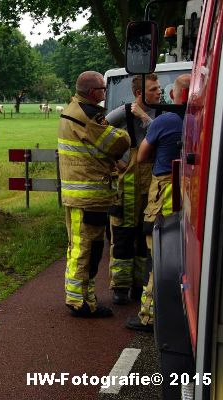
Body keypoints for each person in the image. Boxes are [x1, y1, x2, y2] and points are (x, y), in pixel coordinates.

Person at [58, 71, 131, 318]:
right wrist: (123, 135)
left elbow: (94, 149)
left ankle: (84, 297)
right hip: (88, 195)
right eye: (102, 88)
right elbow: (118, 143)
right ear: (92, 93)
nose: (105, 93)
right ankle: (79, 301)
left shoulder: (75, 109)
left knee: (86, 246)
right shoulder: (88, 116)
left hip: (84, 195)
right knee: (85, 248)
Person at [126, 73, 191, 331]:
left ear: (175, 96)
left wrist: (148, 123)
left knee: (159, 254)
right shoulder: (204, 118)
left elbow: (142, 157)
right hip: (191, 191)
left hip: (164, 189)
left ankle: (150, 316)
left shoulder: (165, 120)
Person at [106, 74, 162, 305]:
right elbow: (99, 133)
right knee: (123, 236)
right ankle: (120, 287)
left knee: (144, 236)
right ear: (139, 94)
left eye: (159, 89)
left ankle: (139, 286)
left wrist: (146, 118)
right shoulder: (123, 112)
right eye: (153, 89)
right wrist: (114, 161)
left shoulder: (161, 114)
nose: (159, 93)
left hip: (151, 187)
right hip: (126, 188)